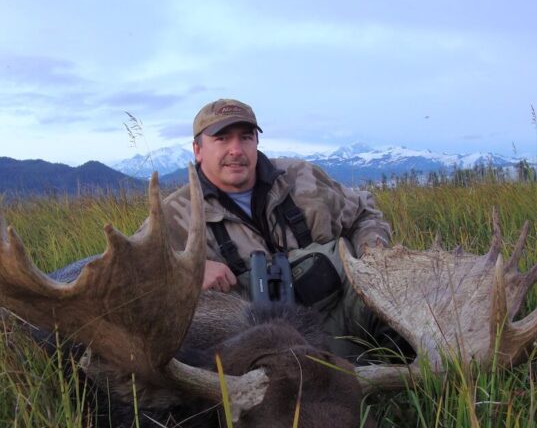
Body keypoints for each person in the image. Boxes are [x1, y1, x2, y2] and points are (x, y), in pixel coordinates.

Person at [157, 98, 399, 361]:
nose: (236, 150)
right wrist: (187, 274)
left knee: (406, 305)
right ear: (198, 149)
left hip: (344, 312)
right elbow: (133, 283)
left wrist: (374, 258)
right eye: (222, 139)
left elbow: (365, 214)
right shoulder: (173, 215)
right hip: (258, 346)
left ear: (256, 143)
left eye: (246, 137)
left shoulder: (301, 177)